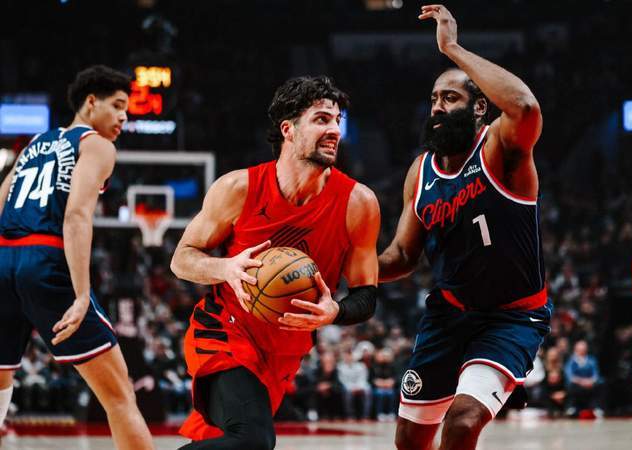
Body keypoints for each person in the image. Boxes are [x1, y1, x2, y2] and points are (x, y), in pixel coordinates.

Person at [171, 75, 380, 449]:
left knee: (242, 443)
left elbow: (366, 296)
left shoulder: (358, 203)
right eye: (321, 119)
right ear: (288, 129)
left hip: (284, 353)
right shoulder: (238, 188)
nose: (334, 130)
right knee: (253, 440)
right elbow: (181, 259)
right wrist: (226, 268)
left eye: (337, 121)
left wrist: (336, 311)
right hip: (225, 330)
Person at [378, 5, 552, 449]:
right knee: (409, 440)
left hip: (511, 317)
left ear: (479, 106)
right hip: (448, 313)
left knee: (461, 423)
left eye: (450, 98)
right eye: (434, 99)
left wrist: (452, 48)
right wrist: (345, 264)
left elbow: (525, 106)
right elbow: (402, 255)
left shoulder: (499, 148)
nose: (438, 107)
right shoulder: (421, 172)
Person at [0, 65, 154, 450]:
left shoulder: (33, 145)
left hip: (4, 259)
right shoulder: (96, 145)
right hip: (45, 260)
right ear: (91, 102)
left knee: (1, 381)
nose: (123, 117)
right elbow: (76, 215)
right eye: (117, 105)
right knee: (119, 396)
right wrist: (82, 294)